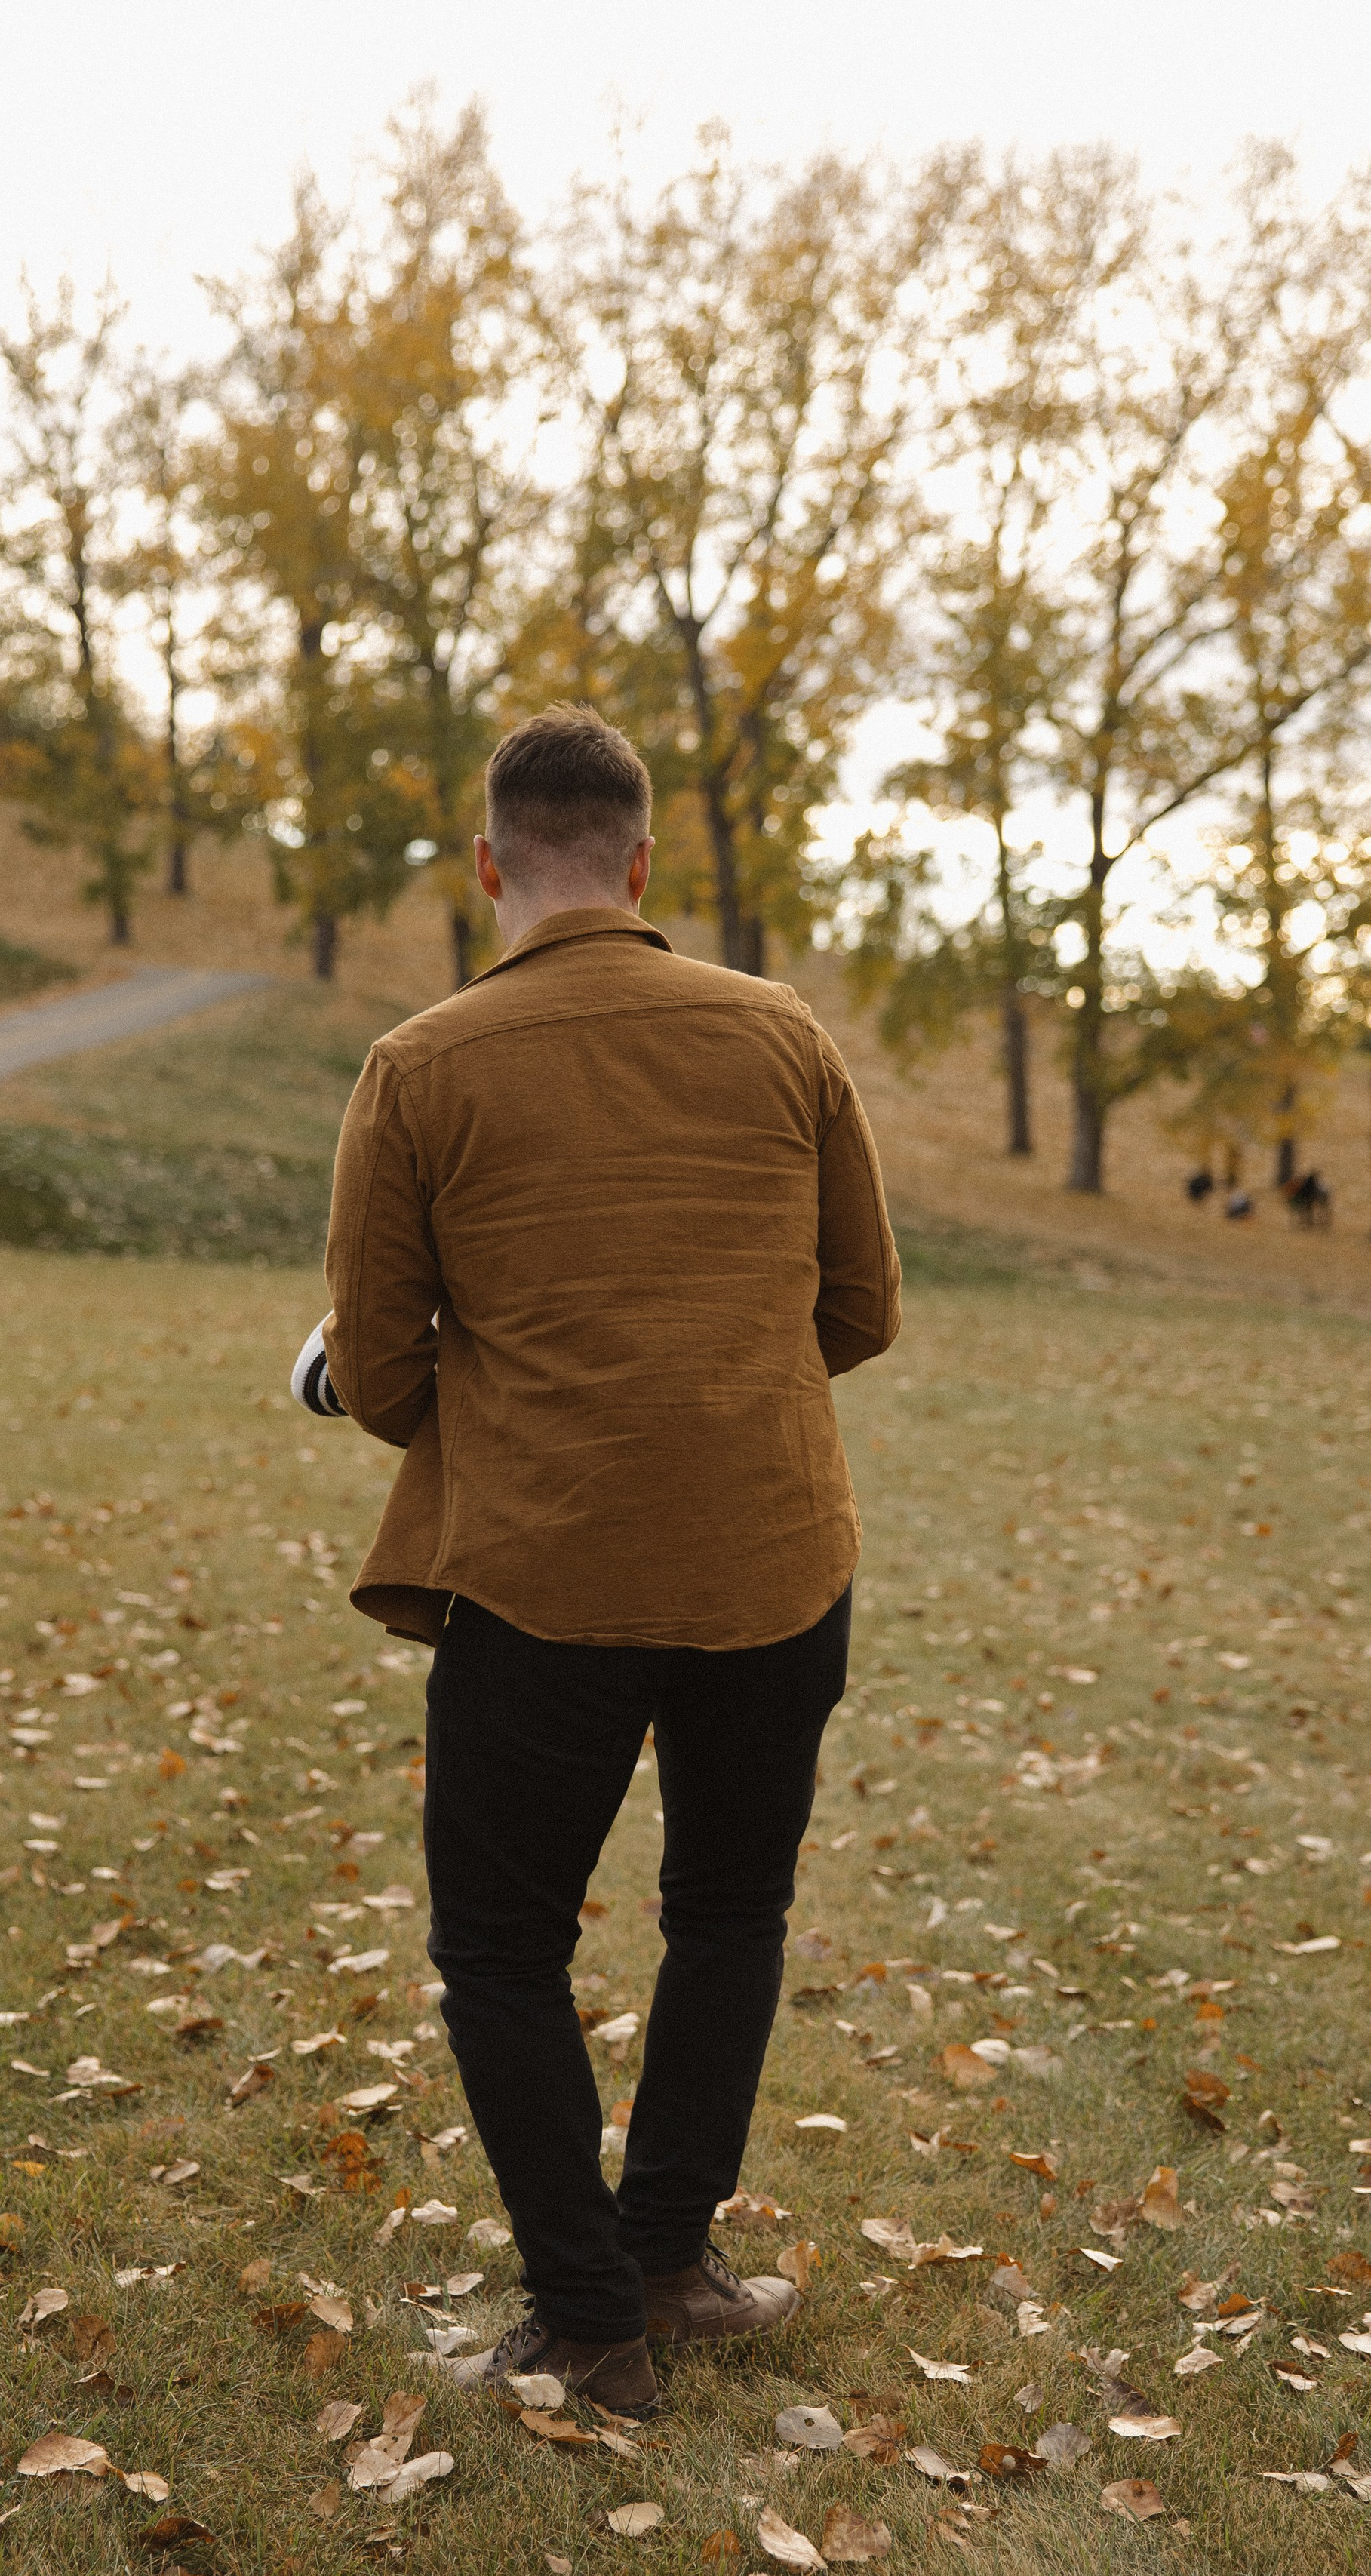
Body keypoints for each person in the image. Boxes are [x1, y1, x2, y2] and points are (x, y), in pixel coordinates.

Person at [315, 704, 901, 2420]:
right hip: (770, 1554)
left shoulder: (420, 1065)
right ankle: (657, 2264)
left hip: (541, 1574)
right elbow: (860, 1308)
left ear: (486, 866)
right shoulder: (782, 1033)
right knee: (728, 1911)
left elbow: (380, 1374)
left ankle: (591, 2319)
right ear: (642, 865)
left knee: (503, 1948)